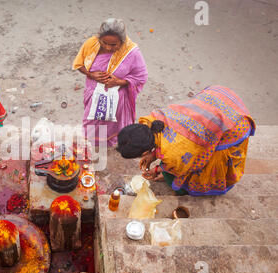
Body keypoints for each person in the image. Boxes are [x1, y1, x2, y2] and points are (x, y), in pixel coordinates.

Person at [116, 85, 256, 196]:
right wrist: (152, 155)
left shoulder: (174, 154)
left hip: (233, 125)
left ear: (145, 150)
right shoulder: (151, 120)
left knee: (200, 170)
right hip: (218, 97)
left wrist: (161, 170)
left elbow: (184, 166)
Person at [73, 18, 148, 147]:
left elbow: (141, 77)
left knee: (112, 126)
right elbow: (79, 64)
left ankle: (110, 144)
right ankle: (93, 144)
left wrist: (119, 81)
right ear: (99, 39)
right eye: (104, 43)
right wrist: (91, 74)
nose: (108, 48)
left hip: (117, 100)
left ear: (122, 41)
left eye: (114, 45)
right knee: (91, 123)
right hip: (94, 96)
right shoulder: (91, 44)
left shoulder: (132, 52)